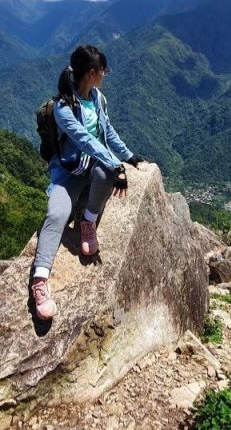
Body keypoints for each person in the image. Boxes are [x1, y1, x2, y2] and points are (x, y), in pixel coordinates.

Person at [30, 44, 145, 321]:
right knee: (56, 214)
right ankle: (39, 281)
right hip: (68, 171)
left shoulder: (98, 98)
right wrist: (115, 163)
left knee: (105, 174)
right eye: (103, 71)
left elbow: (107, 132)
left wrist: (128, 157)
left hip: (92, 166)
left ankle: (88, 221)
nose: (105, 75)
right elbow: (84, 139)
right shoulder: (62, 107)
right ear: (92, 73)